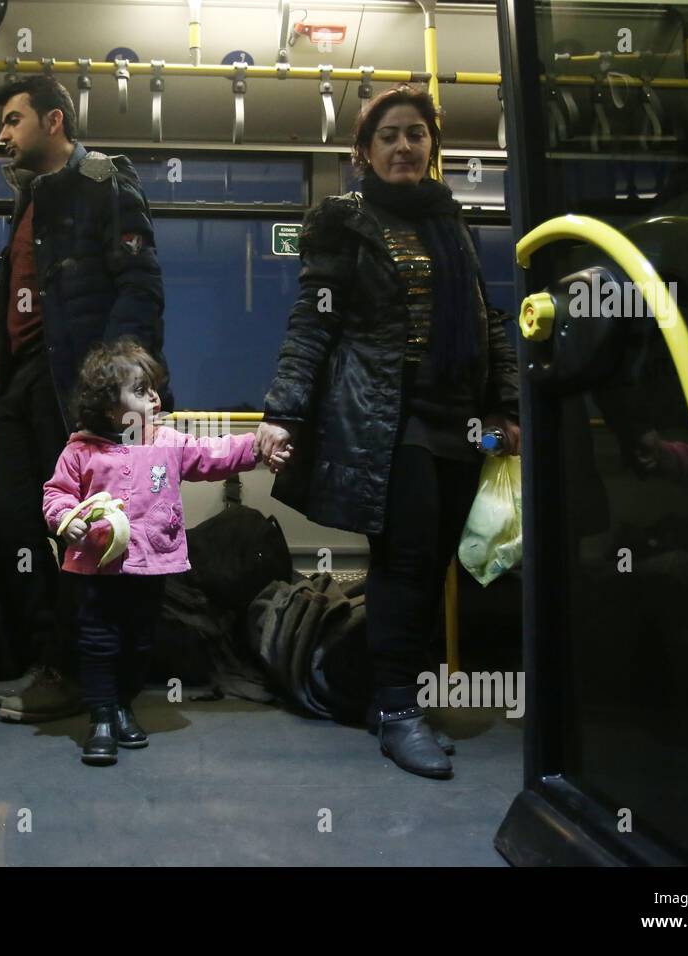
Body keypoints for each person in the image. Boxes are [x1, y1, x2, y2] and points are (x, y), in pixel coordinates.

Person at [255, 84, 520, 780]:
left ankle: (378, 692)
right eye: (389, 136)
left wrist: (507, 407)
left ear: (432, 145)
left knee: (433, 561)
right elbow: (314, 320)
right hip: (383, 416)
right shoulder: (342, 221)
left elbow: (486, 317)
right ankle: (401, 712)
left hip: (457, 416)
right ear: (364, 152)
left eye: (416, 134)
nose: (404, 146)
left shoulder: (449, 220)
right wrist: (282, 409)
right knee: (405, 556)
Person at [0, 75, 166, 722]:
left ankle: (72, 672)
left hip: (72, 385)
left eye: (13, 120)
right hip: (18, 385)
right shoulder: (29, 204)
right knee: (11, 521)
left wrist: (115, 385)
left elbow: (139, 283)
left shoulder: (102, 184)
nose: (2, 134)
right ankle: (47, 658)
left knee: (79, 532)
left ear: (54, 120)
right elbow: (16, 298)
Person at [42, 338, 274, 764]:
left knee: (139, 642)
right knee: (98, 643)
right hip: (96, 570)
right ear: (111, 408)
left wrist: (255, 446)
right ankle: (102, 717)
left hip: (150, 567)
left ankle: (123, 705)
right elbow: (57, 494)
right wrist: (65, 519)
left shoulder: (166, 441)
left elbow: (211, 454)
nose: (154, 396)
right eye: (140, 390)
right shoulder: (80, 450)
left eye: (153, 388)